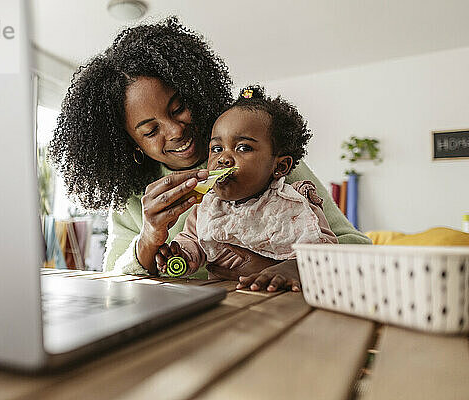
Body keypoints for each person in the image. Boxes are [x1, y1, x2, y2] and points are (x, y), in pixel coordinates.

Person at [49, 17, 371, 280]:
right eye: (150, 130)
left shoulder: (260, 160)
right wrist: (148, 239)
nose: (175, 130)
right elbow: (113, 286)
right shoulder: (133, 198)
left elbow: (357, 250)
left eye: (178, 108)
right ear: (131, 145)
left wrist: (276, 266)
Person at [156, 86, 337, 291]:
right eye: (217, 149)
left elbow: (328, 256)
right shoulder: (207, 208)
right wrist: (181, 255)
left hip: (286, 303)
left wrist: (293, 268)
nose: (223, 158)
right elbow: (192, 241)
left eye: (243, 147)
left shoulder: (295, 204)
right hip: (226, 304)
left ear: (280, 166)